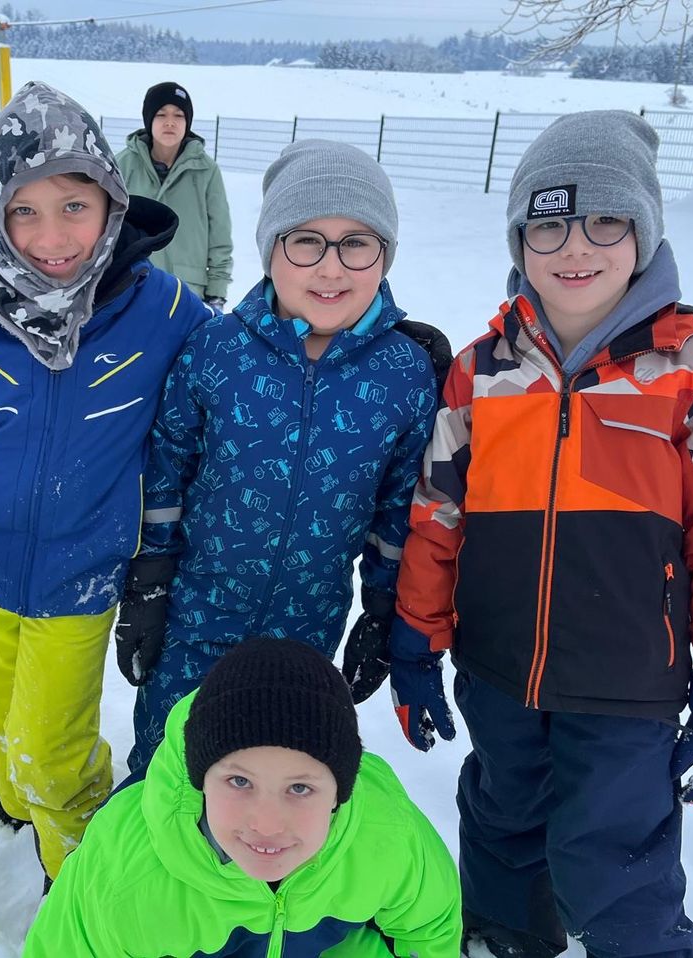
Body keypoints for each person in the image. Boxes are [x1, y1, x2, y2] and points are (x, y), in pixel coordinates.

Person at [392, 111, 693, 958]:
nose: (576, 247)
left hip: (626, 691)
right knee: (500, 825)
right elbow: (437, 519)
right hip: (498, 672)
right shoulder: (481, 370)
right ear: (520, 238)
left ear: (642, 232)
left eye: (605, 221)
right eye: (549, 223)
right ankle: (502, 939)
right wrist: (417, 641)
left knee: (615, 867)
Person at [0, 80, 210, 887]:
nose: (51, 236)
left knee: (56, 757)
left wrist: (327, 332)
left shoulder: (161, 314)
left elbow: (239, 368)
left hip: (80, 581)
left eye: (74, 206)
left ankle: (79, 882)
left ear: (112, 204)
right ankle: (16, 804)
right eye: (25, 210)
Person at [116, 139, 452, 772]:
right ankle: (137, 869)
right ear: (271, 251)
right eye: (305, 241)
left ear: (386, 257)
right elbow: (165, 474)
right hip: (196, 615)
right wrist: (149, 585)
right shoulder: (216, 350)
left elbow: (398, 511)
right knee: (166, 769)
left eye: (358, 243)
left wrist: (382, 610)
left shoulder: (405, 372)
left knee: (275, 777)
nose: (331, 269)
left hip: (306, 628)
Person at [23, 636, 462, 957]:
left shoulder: (385, 834)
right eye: (239, 782)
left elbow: (430, 928)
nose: (267, 824)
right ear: (201, 779)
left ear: (339, 795)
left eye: (300, 788)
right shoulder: (123, 874)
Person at [117, 81, 232, 311]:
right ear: (149, 119)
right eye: (161, 114)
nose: (170, 122)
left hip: (189, 293)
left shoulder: (206, 170)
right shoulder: (122, 165)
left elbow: (220, 235)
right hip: (134, 289)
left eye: (178, 115)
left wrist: (216, 293)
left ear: (187, 122)